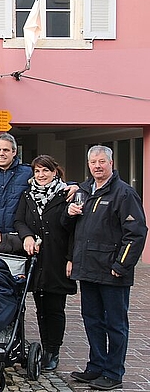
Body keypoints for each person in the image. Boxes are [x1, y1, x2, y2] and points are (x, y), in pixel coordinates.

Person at [65, 145, 147, 391]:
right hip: (88, 269)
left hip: (112, 271)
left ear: (111, 163)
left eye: (102, 161)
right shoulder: (84, 191)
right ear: (88, 165)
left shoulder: (124, 193)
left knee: (115, 324)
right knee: (92, 321)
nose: (97, 166)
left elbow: (136, 233)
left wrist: (121, 265)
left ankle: (113, 372)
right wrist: (69, 214)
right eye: (93, 162)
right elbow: (74, 230)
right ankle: (96, 367)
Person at [13, 155, 77, 371]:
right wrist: (27, 236)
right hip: (36, 259)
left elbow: (74, 230)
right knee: (40, 306)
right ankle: (45, 346)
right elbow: (19, 220)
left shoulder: (66, 194)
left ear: (54, 172)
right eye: (37, 171)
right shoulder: (28, 195)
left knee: (55, 307)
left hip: (57, 258)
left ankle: (53, 351)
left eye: (45, 171)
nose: (41, 175)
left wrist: (71, 258)